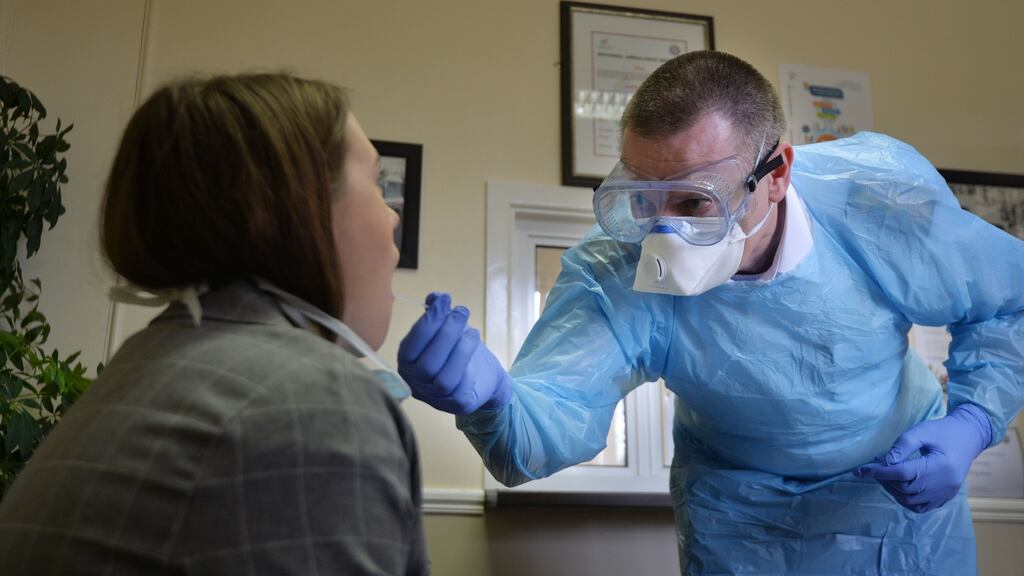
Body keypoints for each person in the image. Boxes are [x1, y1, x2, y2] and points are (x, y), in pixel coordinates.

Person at [398, 51, 1024, 574]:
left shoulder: (876, 203)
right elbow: (549, 419)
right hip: (737, 513)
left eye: (696, 203)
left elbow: (1007, 301)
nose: (661, 232)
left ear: (775, 173)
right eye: (643, 197)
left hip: (898, 486)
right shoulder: (618, 267)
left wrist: (971, 422)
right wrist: (489, 399)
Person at [0, 73, 429, 575]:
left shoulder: (150, 365)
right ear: (301, 206)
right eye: (379, 184)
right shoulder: (309, 398)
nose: (394, 217)